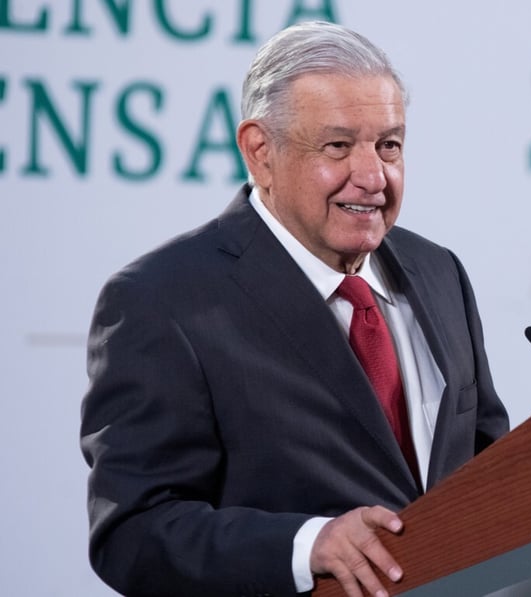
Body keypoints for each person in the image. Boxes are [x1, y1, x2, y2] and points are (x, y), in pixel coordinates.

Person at [80, 21, 509, 597]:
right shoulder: (161, 301)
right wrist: (309, 546)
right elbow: (135, 533)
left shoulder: (441, 274)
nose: (373, 176)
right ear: (260, 152)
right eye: (337, 146)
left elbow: (489, 473)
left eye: (389, 144)